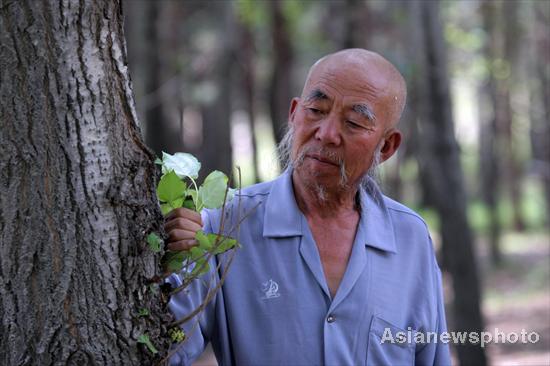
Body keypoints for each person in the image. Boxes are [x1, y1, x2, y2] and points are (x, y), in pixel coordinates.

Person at [165, 49, 452, 365]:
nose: (326, 134)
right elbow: (165, 350)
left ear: (386, 147)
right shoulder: (223, 225)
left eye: (354, 122)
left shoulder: (410, 237)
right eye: (316, 110)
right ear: (293, 114)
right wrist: (168, 265)